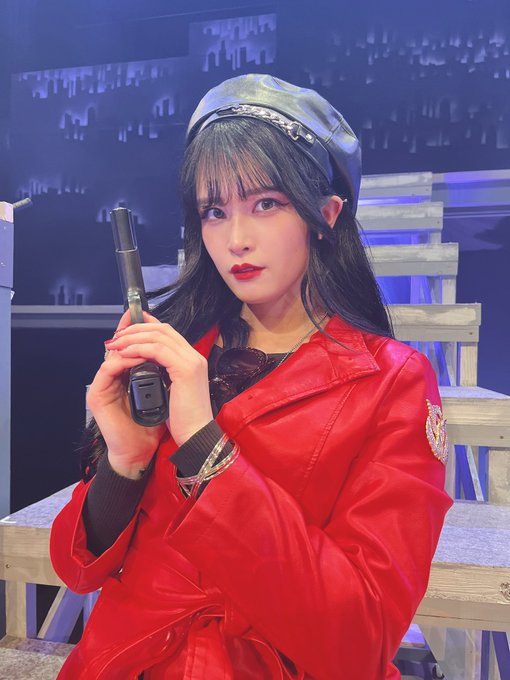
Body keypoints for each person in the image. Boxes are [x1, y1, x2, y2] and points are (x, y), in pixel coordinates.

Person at [50, 74, 452, 680]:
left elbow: (360, 636)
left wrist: (205, 448)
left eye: (266, 203)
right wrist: (125, 463)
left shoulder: (394, 383)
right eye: (215, 212)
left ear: (325, 214)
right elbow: (79, 568)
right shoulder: (173, 349)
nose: (236, 239)